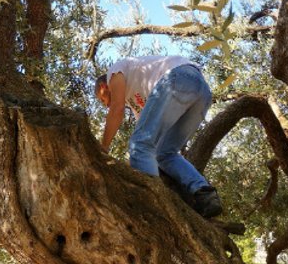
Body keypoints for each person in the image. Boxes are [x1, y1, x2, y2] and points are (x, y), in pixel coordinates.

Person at [94, 55, 223, 218]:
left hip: (179, 77)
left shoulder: (115, 71)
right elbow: (149, 141)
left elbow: (117, 110)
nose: (105, 105)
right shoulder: (136, 100)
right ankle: (204, 194)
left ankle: (153, 204)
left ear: (103, 86)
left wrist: (103, 147)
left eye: (102, 99)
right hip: (202, 93)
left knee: (139, 143)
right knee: (164, 153)